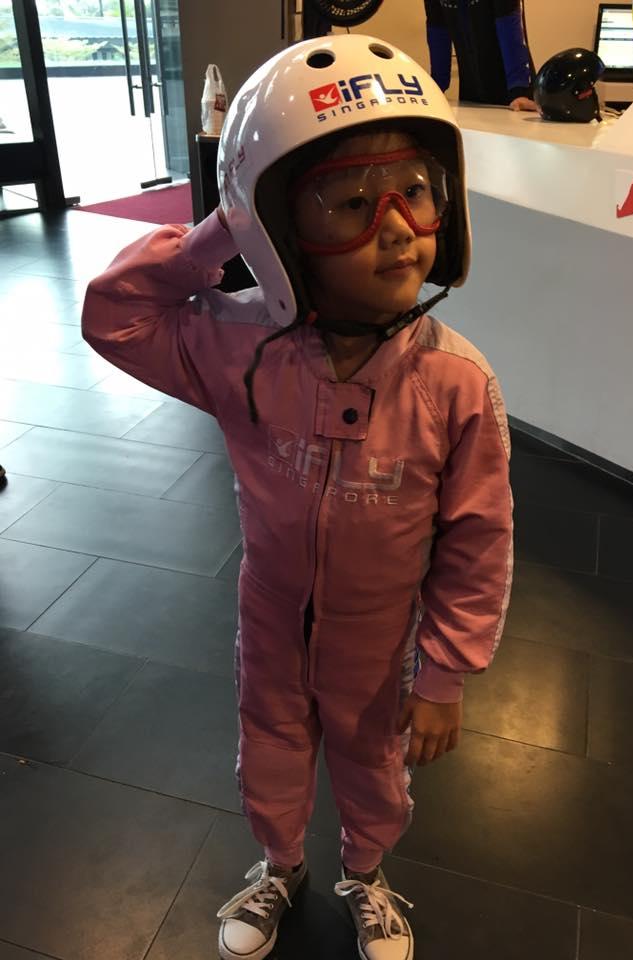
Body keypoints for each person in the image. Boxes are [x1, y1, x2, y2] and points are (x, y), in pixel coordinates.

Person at [82, 34, 513, 960]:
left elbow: (480, 540)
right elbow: (115, 315)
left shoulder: (455, 382)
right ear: (277, 231)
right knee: (271, 744)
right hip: (271, 612)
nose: (396, 227)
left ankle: (366, 872)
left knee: (374, 761)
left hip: (380, 628)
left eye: (415, 192)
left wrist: (444, 672)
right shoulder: (239, 348)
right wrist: (217, 238)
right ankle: (278, 866)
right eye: (351, 206)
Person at [428, 0, 537, 110]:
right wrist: (435, 89)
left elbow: (510, 27)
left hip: (514, 90)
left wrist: (519, 91)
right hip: (471, 92)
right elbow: (437, 32)